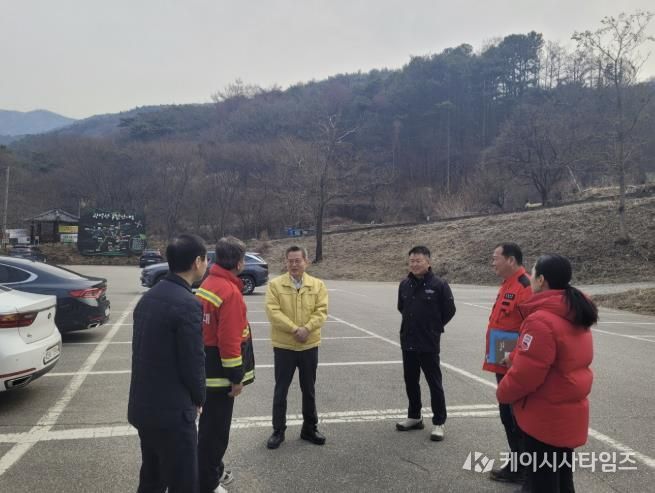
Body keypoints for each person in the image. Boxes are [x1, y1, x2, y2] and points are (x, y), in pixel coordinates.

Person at [497, 254, 596, 493]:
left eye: (532, 273)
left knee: (543, 481)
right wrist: (516, 356)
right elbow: (553, 356)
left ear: (541, 280)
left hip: (544, 417)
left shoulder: (541, 320)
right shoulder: (573, 311)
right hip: (565, 412)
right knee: (562, 478)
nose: (530, 278)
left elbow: (527, 375)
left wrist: (503, 392)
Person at [128, 234, 208, 493]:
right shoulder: (188, 304)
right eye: (206, 259)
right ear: (197, 262)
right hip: (172, 415)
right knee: (183, 482)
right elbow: (193, 360)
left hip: (144, 408)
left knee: (152, 478)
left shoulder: (149, 297)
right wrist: (199, 398)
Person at [196, 237, 255, 493]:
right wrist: (236, 378)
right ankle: (207, 483)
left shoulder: (209, 282)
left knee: (208, 429)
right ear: (239, 263)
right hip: (221, 377)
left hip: (206, 369)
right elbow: (229, 342)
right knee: (215, 434)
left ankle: (213, 469)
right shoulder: (230, 292)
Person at [265, 246, 328, 449]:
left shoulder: (317, 285)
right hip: (284, 346)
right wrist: (294, 329)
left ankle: (309, 428)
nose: (294, 264)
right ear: (286, 262)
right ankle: (278, 430)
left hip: (309, 345)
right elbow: (273, 312)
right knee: (281, 389)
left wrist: (307, 328)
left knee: (308, 389)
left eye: (297, 260)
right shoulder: (275, 285)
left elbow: (321, 311)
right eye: (290, 261)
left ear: (306, 262)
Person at [396, 246, 456, 441]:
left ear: (428, 262)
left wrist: (433, 327)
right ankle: (414, 416)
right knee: (411, 381)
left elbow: (449, 310)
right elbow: (402, 307)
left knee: (434, 383)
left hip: (428, 342)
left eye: (418, 261)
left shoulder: (439, 285)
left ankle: (439, 422)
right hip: (408, 341)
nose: (414, 264)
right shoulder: (404, 284)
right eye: (412, 261)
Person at [483, 242, 532, 483]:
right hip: (502, 362)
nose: (493, 262)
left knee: (516, 417)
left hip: (515, 365)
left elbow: (532, 328)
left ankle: (524, 469)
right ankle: (517, 463)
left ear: (511, 260)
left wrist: (516, 358)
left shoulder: (525, 286)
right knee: (507, 415)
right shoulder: (508, 284)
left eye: (496, 258)